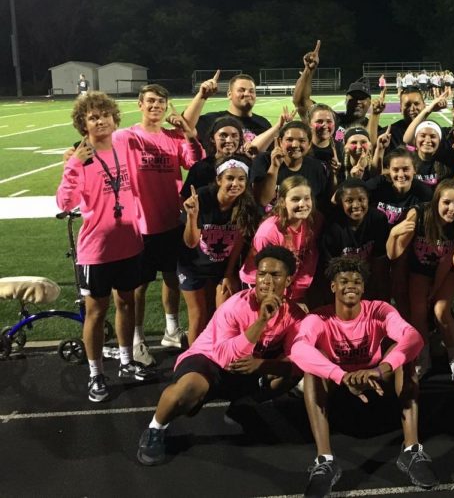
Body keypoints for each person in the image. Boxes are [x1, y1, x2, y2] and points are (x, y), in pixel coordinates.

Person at [136, 246, 304, 466]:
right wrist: (261, 322)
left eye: (275, 275)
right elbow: (226, 358)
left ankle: (243, 405)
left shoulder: (295, 316)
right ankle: (155, 428)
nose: (266, 281)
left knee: (293, 372)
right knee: (187, 393)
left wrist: (263, 366)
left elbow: (298, 363)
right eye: (262, 274)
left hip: (249, 368)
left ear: (289, 281)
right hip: (210, 362)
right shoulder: (235, 305)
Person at [290, 255, 438, 495]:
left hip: (375, 380)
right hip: (339, 384)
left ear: (364, 287)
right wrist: (342, 376)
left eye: (357, 281)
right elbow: (298, 349)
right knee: (311, 367)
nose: (351, 285)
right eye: (344, 280)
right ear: (333, 287)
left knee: (405, 356)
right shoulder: (318, 317)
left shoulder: (379, 310)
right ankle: (325, 460)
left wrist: (380, 370)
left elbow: (413, 337)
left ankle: (411, 450)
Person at [57, 92, 154, 403]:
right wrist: (73, 165)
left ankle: (126, 362)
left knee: (126, 302)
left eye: (104, 115)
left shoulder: (123, 145)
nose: (100, 121)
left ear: (114, 118)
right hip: (96, 249)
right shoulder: (79, 158)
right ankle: (96, 372)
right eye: (92, 117)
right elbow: (64, 203)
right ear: (83, 125)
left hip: (129, 243)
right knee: (96, 313)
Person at [123, 84, 202, 365]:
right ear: (140, 105)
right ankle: (136, 339)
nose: (156, 106)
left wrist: (188, 133)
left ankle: (170, 330)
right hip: (139, 227)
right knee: (138, 287)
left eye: (161, 102)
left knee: (171, 278)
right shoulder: (127, 137)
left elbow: (195, 161)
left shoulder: (173, 137)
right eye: (151, 101)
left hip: (171, 221)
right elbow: (100, 147)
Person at [387, 179, 454, 380]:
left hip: (446, 271)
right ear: (436, 200)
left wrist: (434, 291)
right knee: (418, 311)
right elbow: (394, 254)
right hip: (420, 269)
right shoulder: (419, 215)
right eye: (447, 202)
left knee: (440, 310)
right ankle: (423, 357)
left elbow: (447, 264)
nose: (452, 208)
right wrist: (394, 233)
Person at [179, 155, 260, 345]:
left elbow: (238, 242)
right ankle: (193, 362)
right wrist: (192, 216)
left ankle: (220, 361)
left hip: (220, 268)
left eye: (241, 179)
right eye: (230, 178)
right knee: (198, 317)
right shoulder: (202, 198)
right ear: (219, 179)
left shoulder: (245, 205)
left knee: (223, 315)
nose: (235, 183)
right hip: (192, 265)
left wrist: (229, 273)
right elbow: (190, 243)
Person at [241, 176, 324, 308]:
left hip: (290, 283)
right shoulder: (269, 232)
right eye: (295, 199)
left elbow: (310, 258)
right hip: (260, 283)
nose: (302, 204)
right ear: (283, 202)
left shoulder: (314, 221)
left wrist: (297, 293)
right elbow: (268, 273)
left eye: (307, 198)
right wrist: (287, 300)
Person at [320, 179, 391, 300]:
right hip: (342, 278)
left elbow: (380, 260)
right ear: (341, 203)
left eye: (361, 199)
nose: (356, 205)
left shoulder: (378, 219)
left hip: (370, 275)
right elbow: (330, 266)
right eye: (349, 201)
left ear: (368, 199)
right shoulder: (333, 225)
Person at [250, 121, 327, 209]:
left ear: (309, 144)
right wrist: (274, 166)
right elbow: (262, 201)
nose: (295, 145)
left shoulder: (316, 168)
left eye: (302, 141)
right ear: (279, 142)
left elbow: (319, 207)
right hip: (270, 220)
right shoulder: (263, 160)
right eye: (289, 140)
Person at [186, 72, 272, 147]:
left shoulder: (264, 124)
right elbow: (186, 128)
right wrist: (201, 96)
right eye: (241, 90)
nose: (247, 94)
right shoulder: (213, 120)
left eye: (251, 91)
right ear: (229, 94)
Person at [181, 116, 244, 198]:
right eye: (223, 136)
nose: (229, 140)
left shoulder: (245, 165)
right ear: (212, 139)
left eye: (234, 136)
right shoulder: (200, 168)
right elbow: (185, 198)